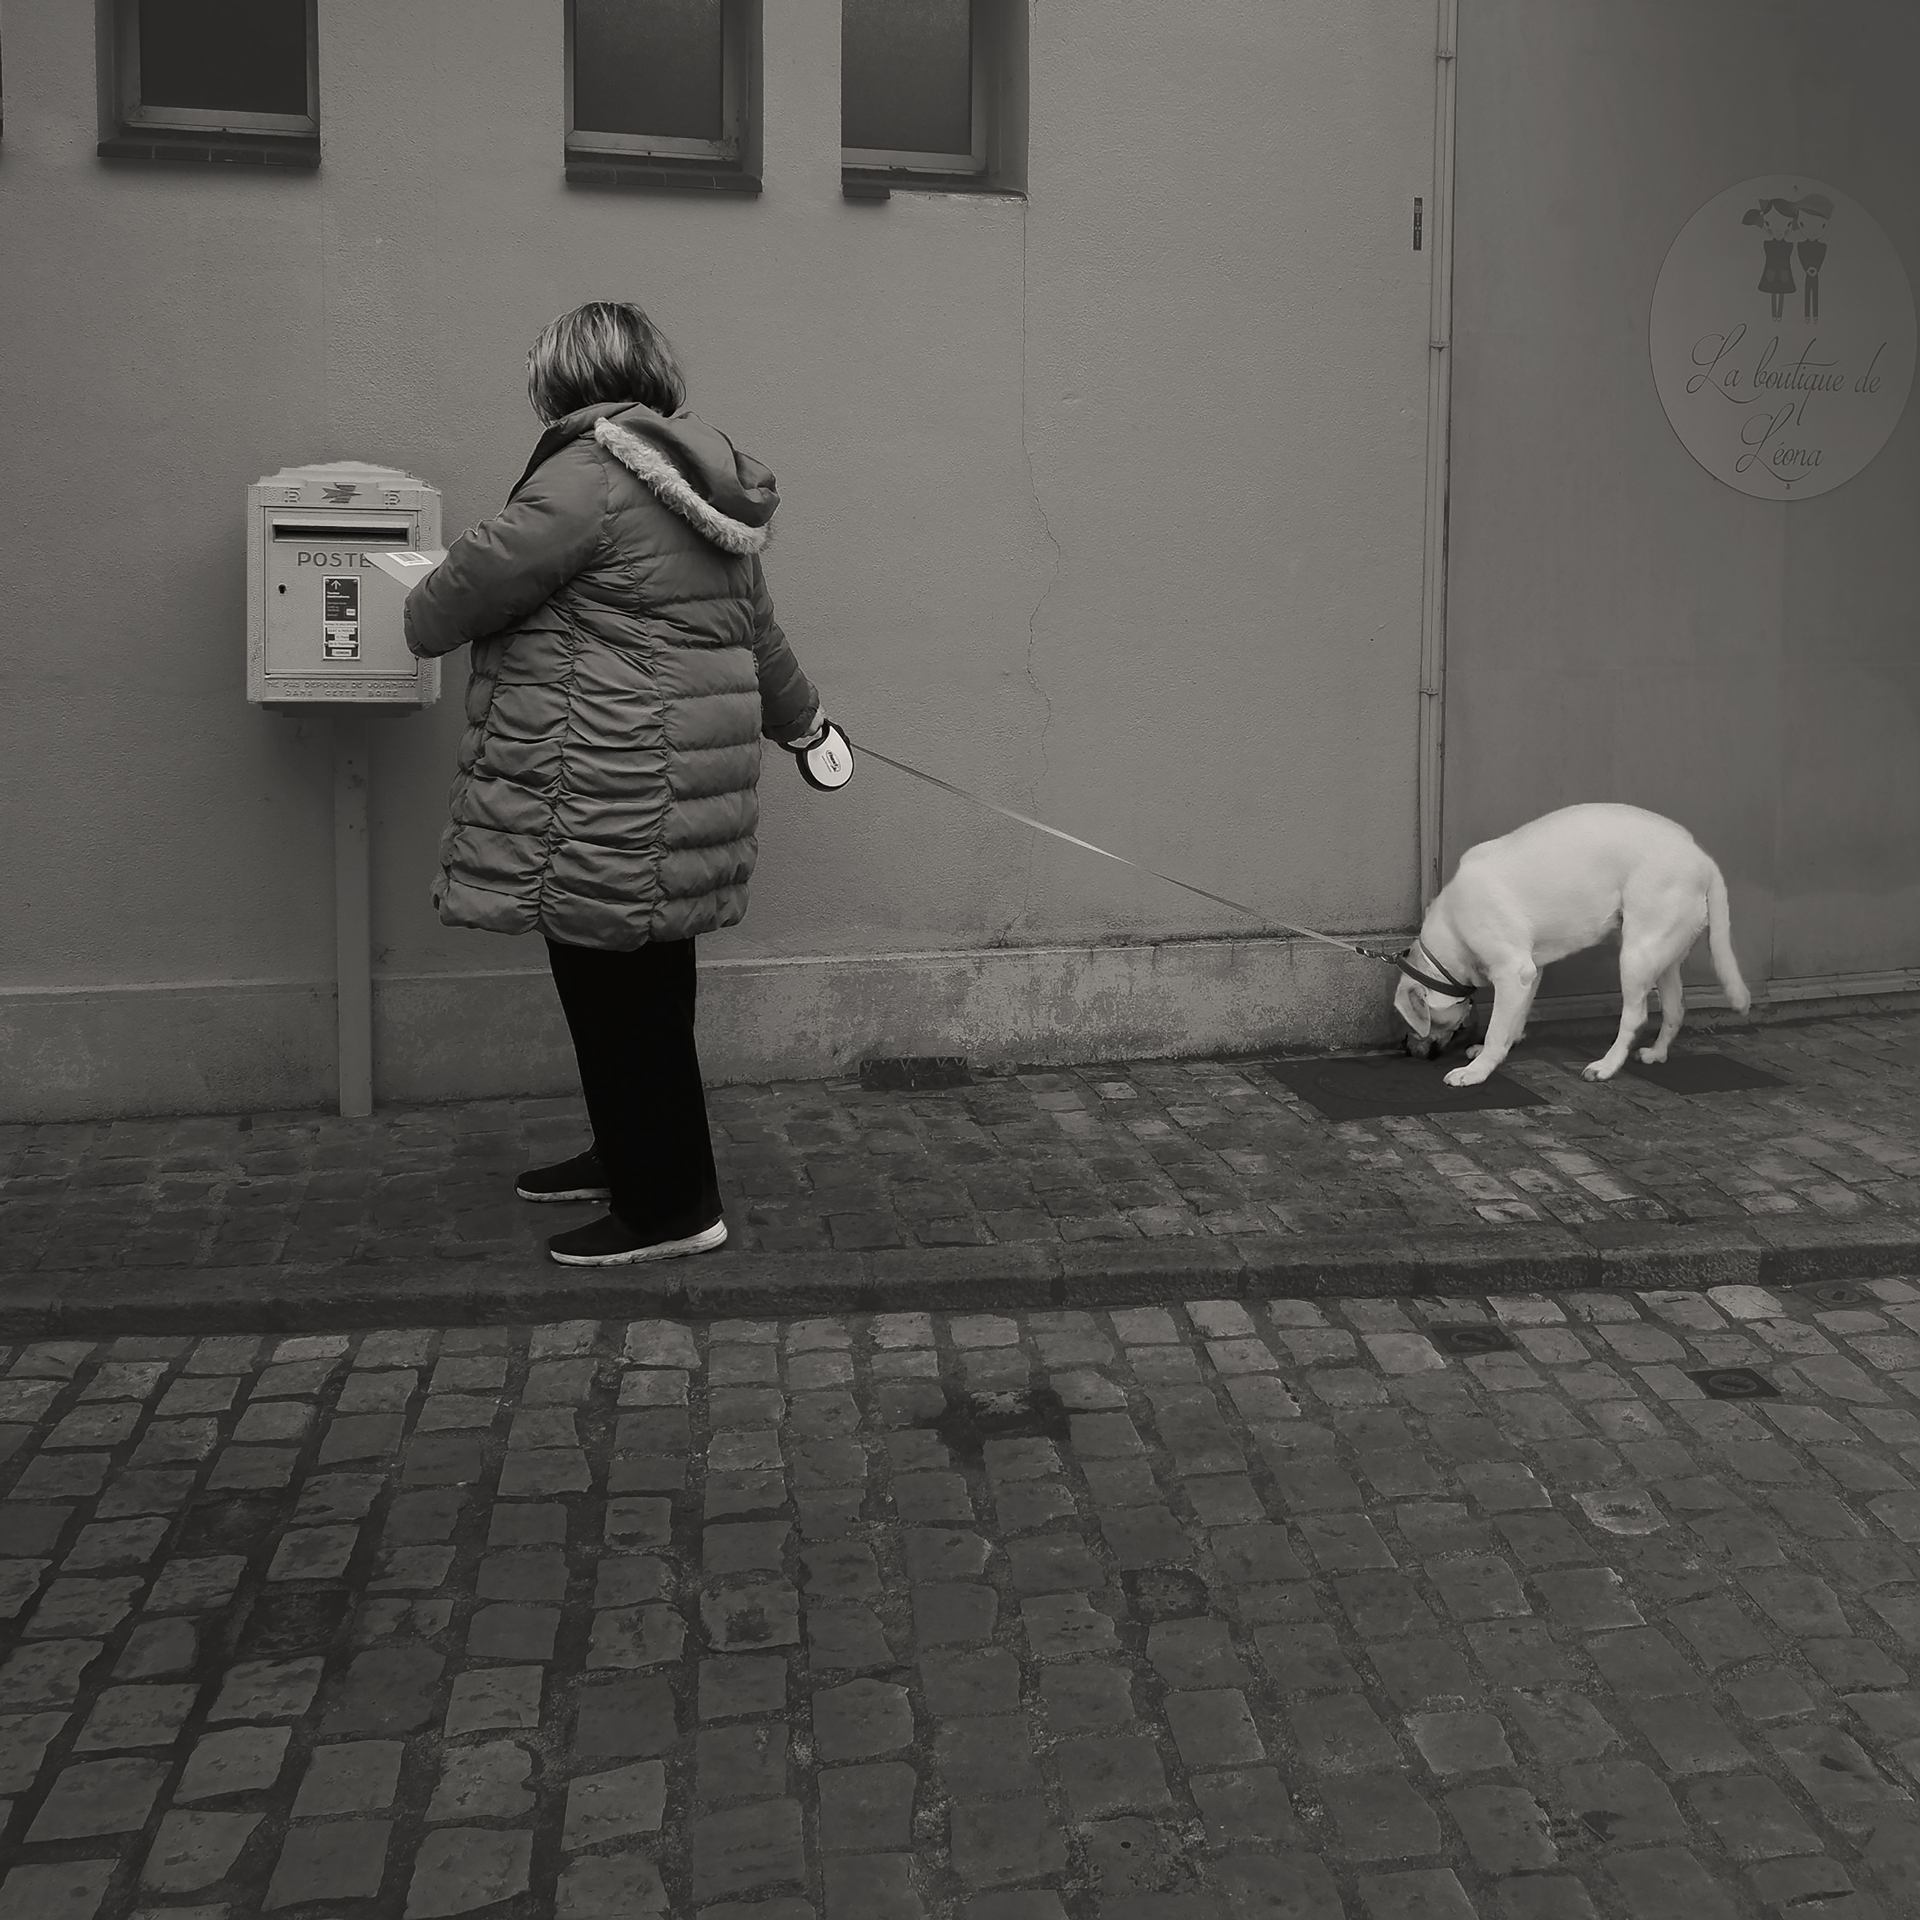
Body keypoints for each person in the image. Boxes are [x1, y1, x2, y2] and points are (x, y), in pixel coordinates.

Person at [404, 301, 832, 1266]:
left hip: (600, 786)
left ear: (562, 380)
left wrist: (423, 596)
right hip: (664, 793)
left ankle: (672, 1207)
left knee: (616, 998)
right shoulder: (701, 485)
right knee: (639, 991)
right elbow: (756, 634)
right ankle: (630, 1155)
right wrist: (807, 725)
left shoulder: (585, 478)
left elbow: (453, 602)